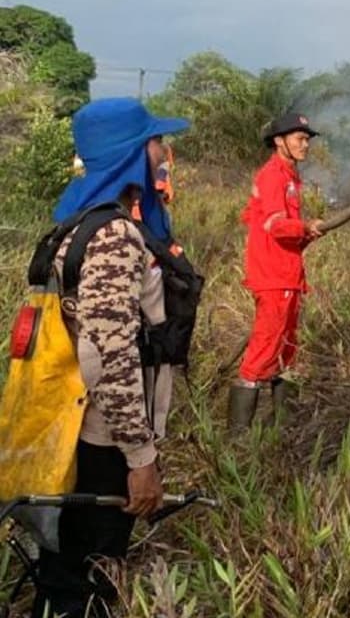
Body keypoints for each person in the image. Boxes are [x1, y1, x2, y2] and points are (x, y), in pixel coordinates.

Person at [31, 98, 190, 618]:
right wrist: (141, 459)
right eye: (155, 141)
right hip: (103, 438)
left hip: (71, 421)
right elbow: (110, 352)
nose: (164, 152)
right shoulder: (116, 233)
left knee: (63, 565)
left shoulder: (74, 221)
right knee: (93, 575)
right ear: (132, 154)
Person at [228, 112, 323, 432]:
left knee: (286, 349)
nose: (305, 144)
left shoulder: (290, 176)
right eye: (300, 138)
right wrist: (304, 226)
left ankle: (282, 428)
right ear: (279, 141)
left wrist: (305, 233)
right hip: (273, 275)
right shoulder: (273, 176)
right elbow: (275, 224)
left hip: (288, 274)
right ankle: (238, 440)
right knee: (265, 348)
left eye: (307, 139)